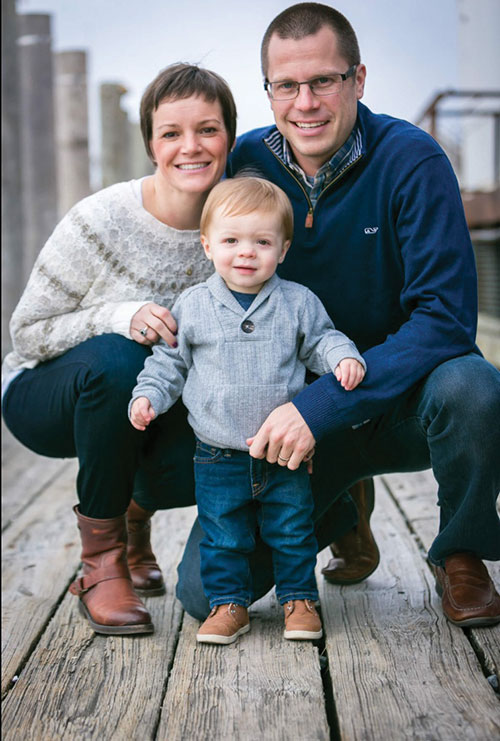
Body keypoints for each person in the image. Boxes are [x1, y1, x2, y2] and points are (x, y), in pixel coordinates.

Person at [176, 2, 500, 628]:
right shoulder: (244, 166)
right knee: (201, 594)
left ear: (357, 79)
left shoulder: (413, 160)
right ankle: (344, 510)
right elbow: (175, 222)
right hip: (291, 425)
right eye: (286, 86)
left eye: (323, 80)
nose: (306, 103)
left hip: (394, 401)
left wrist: (319, 406)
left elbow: (447, 319)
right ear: (267, 91)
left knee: (475, 386)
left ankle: (461, 553)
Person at [1, 63, 237, 635]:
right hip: (47, 393)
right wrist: (121, 316)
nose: (191, 147)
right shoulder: (101, 218)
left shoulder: (240, 226)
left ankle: (136, 517)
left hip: (157, 403)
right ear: (151, 143)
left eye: (207, 129)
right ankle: (100, 565)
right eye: (171, 133)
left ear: (230, 135)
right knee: (121, 358)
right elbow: (27, 332)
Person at [129, 176, 366, 644]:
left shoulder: (297, 302)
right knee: (224, 536)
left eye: (261, 242)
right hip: (217, 455)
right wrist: (148, 397)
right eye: (231, 240)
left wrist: (343, 355)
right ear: (207, 245)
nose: (245, 253)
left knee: (292, 530)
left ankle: (299, 600)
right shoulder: (194, 305)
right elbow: (169, 363)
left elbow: (321, 339)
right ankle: (228, 605)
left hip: (284, 453)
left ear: (282, 249)